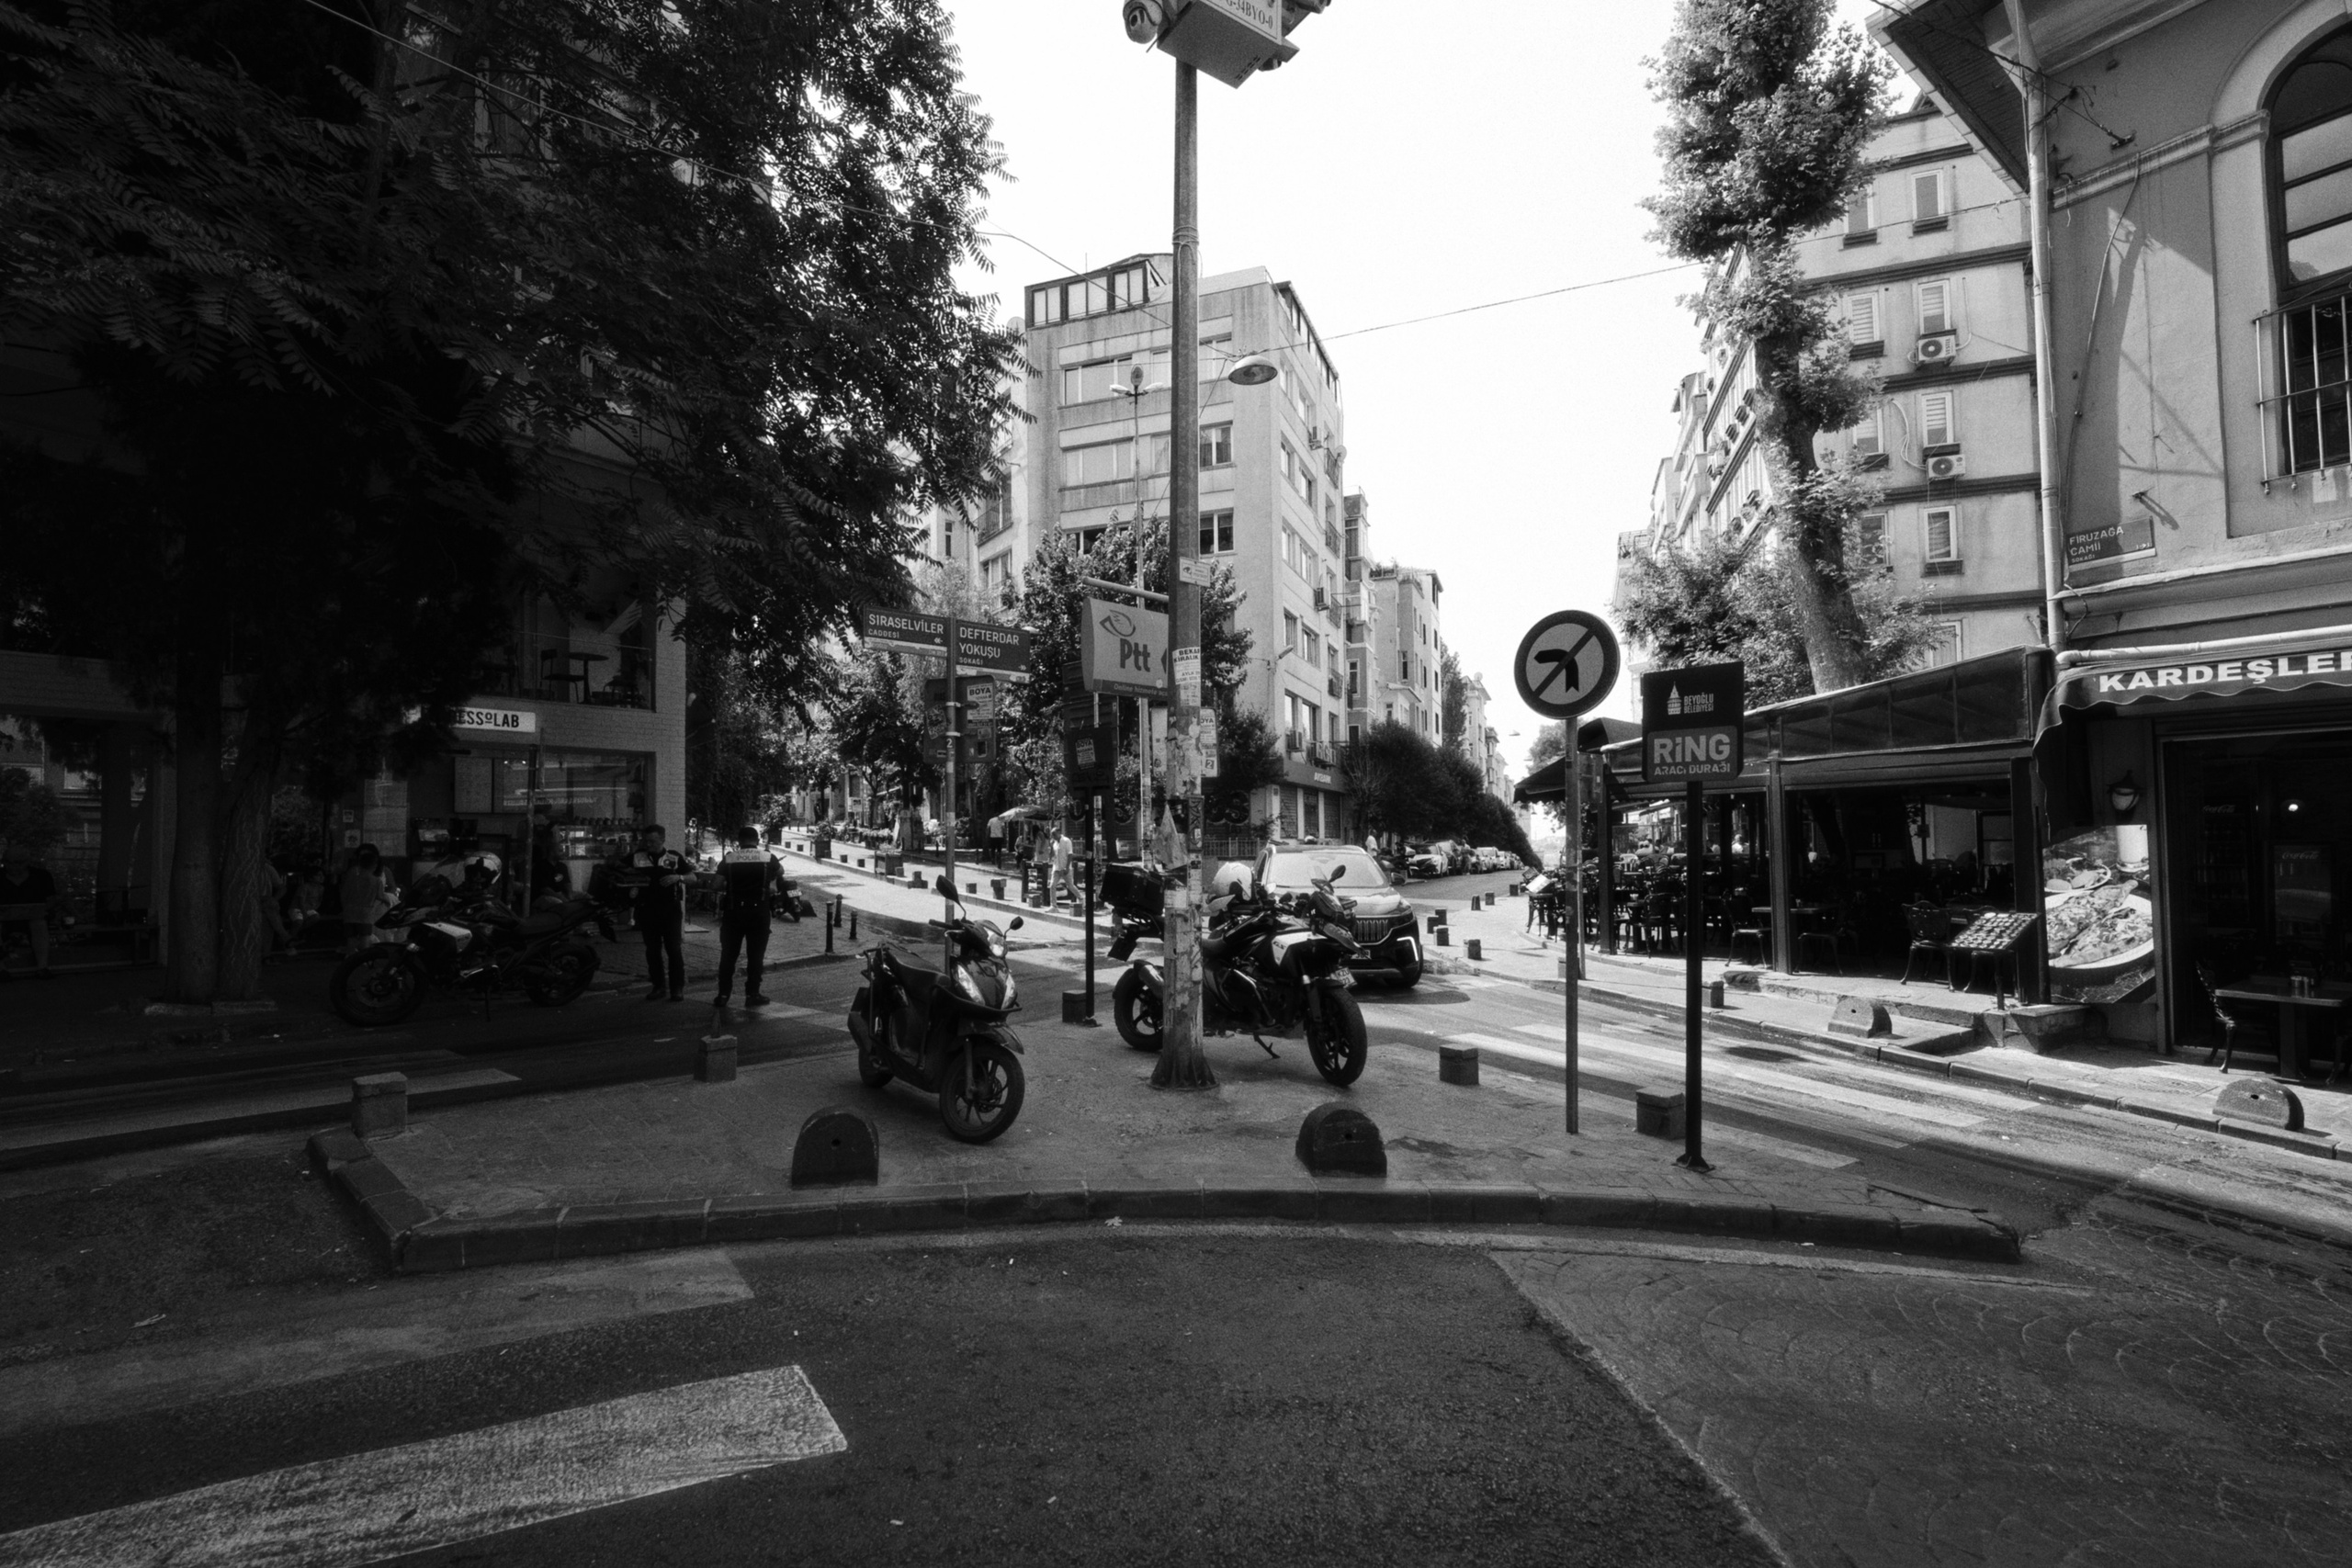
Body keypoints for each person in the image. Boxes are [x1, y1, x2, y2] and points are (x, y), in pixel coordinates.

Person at [713, 826, 783, 1009]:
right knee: (756, 956)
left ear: (739, 841)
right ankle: (752, 994)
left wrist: (732, 885)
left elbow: (716, 885)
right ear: (757, 840)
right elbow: (780, 873)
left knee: (728, 955)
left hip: (733, 912)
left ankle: (723, 994)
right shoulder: (768, 857)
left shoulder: (729, 858)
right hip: (759, 912)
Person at [620, 823, 690, 1002]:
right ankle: (658, 986)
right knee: (652, 950)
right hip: (648, 909)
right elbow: (617, 868)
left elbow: (693, 877)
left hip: (670, 910)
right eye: (646, 841)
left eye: (652, 841)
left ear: (662, 839)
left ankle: (677, 988)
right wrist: (631, 884)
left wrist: (678, 877)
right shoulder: (638, 857)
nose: (649, 844)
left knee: (673, 949)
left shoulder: (673, 857)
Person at [0, 844, 62, 978]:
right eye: (7, 862)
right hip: (4, 920)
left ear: (27, 862)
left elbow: (51, 899)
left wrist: (44, 909)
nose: (12, 866)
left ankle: (42, 967)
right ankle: (1, 969)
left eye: (18, 863)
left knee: (38, 923)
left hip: (35, 918)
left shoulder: (41, 876)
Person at [338, 844, 389, 954]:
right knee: (364, 937)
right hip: (365, 914)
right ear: (374, 865)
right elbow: (380, 896)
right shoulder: (376, 881)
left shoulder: (352, 876)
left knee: (351, 938)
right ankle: (364, 959)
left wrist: (344, 907)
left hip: (350, 911)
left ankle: (350, 958)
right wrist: (387, 901)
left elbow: (344, 893)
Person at [1050, 824, 1074, 906]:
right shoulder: (1054, 843)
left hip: (1065, 868)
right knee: (1052, 886)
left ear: (1059, 833)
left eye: (1054, 834)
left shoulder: (1066, 841)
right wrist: (1050, 846)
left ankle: (1082, 899)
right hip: (1056, 867)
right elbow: (1053, 855)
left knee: (1070, 886)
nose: (1053, 836)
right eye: (1052, 835)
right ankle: (1054, 906)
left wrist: (1067, 867)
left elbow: (1070, 854)